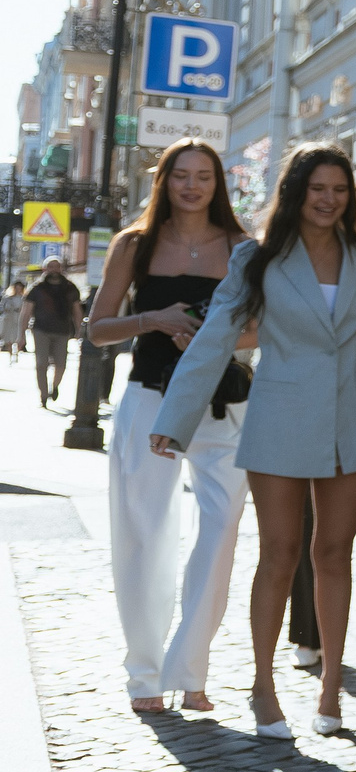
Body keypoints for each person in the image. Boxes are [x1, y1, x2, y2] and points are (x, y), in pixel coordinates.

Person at [151, 142, 356, 742]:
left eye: (340, 190)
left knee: (334, 553)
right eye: (317, 188)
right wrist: (175, 418)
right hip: (279, 416)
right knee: (279, 554)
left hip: (355, 417)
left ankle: (330, 690)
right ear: (296, 193)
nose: (329, 200)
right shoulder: (257, 258)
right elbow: (217, 336)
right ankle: (263, 686)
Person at [89, 140, 254, 715]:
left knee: (222, 527)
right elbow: (98, 328)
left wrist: (216, 337)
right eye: (180, 175)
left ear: (217, 183)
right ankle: (145, 675)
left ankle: (193, 668)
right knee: (142, 533)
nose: (191, 186)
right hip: (149, 399)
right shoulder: (134, 244)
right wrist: (153, 319)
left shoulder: (241, 247)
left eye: (203, 176)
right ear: (164, 181)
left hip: (223, 405)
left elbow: (261, 328)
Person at [27, 258, 81, 406]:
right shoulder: (37, 288)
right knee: (41, 364)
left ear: (61, 269)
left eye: (57, 266)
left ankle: (55, 386)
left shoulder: (70, 288)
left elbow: (77, 311)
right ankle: (43, 395)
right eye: (50, 266)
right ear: (45, 269)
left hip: (63, 331)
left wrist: (79, 330)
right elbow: (26, 311)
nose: (54, 269)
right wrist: (21, 335)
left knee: (61, 364)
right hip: (40, 329)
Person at [1, 280, 26, 357]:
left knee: (18, 336)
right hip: (9, 319)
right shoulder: (8, 298)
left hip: (19, 319)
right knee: (8, 338)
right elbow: (3, 307)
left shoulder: (24, 299)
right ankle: (11, 354)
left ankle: (17, 353)